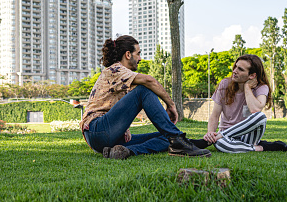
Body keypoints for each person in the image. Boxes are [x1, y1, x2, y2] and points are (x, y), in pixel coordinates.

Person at [80, 35, 211, 159]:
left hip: (108, 139)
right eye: (138, 53)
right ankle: (178, 140)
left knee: (165, 137)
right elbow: (150, 81)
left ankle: (127, 151)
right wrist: (171, 105)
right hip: (97, 130)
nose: (140, 58)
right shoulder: (115, 70)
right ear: (128, 54)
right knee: (144, 89)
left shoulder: (124, 77)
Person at [203, 54, 287, 153]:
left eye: (240, 69)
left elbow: (255, 110)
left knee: (261, 117)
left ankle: (224, 138)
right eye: (235, 67)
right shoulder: (224, 84)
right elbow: (215, 115)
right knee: (220, 143)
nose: (234, 71)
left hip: (248, 135)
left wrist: (247, 88)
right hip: (227, 136)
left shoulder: (261, 87)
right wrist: (211, 134)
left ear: (252, 75)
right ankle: (260, 147)